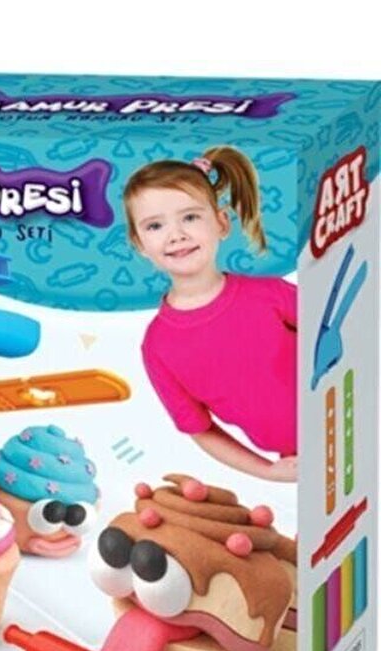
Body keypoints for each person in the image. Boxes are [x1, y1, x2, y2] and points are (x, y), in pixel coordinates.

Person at [125, 148, 297, 481]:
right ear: (140, 243)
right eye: (155, 225)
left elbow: (347, 332)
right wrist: (268, 471)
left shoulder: (269, 294)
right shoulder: (157, 346)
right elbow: (199, 428)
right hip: (301, 460)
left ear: (221, 223)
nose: (176, 235)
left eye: (190, 217)